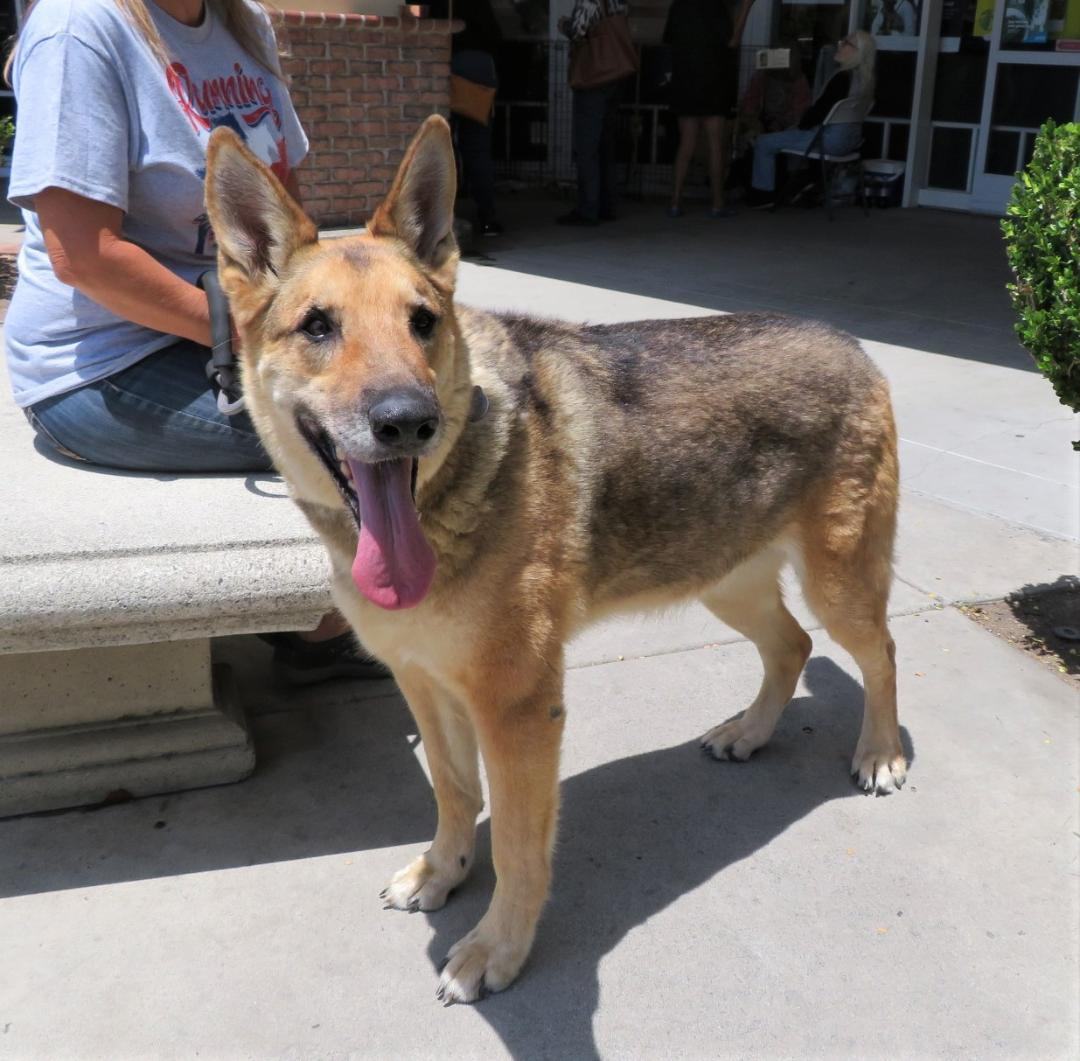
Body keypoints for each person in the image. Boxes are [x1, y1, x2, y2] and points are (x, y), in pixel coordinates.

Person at [4, 0, 385, 682]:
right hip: (101, 365)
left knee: (423, 400)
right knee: (365, 430)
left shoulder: (244, 22)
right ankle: (323, 630)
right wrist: (259, 336)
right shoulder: (79, 27)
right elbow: (84, 257)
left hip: (224, 336)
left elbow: (284, 217)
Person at [746, 29, 876, 210]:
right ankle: (805, 181)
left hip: (827, 140)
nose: (840, 45)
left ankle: (763, 196)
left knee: (764, 142)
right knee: (791, 139)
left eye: (846, 43)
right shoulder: (865, 81)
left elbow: (818, 112)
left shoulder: (841, 78)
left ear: (857, 52)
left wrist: (798, 125)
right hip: (851, 142)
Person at [663, 0, 754, 219]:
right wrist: (746, 7)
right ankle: (717, 204)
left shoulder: (678, 5)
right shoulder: (716, 7)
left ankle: (675, 202)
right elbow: (732, 41)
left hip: (685, 81)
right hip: (713, 81)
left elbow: (668, 39)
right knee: (715, 144)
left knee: (686, 143)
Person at [427, 0, 504, 237]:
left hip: (446, 63)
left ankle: (444, 218)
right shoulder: (481, 7)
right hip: (480, 69)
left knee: (442, 146)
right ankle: (487, 216)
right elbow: (495, 35)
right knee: (478, 149)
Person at [556, 0, 632, 227]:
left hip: (594, 78)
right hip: (615, 75)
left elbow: (578, 31)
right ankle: (607, 205)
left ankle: (588, 208)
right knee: (606, 145)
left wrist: (563, 24)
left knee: (587, 147)